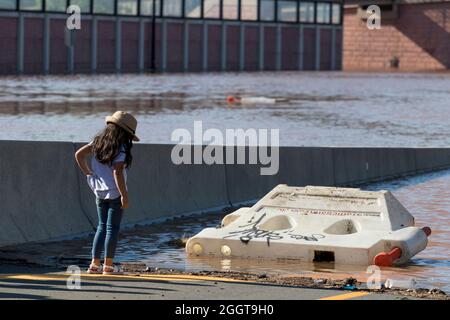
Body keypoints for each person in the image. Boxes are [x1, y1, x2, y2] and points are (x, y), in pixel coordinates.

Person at [75, 111, 139, 275]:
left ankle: (94, 264)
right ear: (126, 132)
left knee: (101, 228)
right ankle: (108, 266)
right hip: (115, 193)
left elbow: (79, 155)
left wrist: (89, 173)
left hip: (99, 192)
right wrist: (124, 195)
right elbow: (117, 173)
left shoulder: (98, 141)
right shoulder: (121, 147)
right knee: (112, 228)